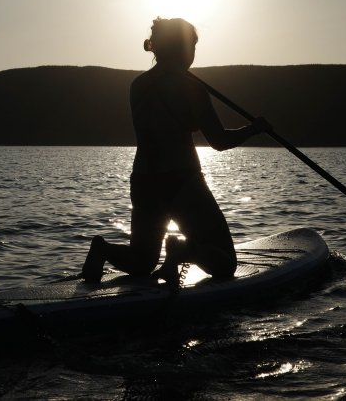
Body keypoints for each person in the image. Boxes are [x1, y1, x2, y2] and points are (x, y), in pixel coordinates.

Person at [81, 17, 271, 284]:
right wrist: (254, 129)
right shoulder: (192, 88)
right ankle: (182, 249)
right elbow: (219, 141)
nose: (193, 54)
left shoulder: (138, 86)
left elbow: (159, 124)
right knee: (225, 264)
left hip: (144, 181)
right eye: (192, 46)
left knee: (142, 261)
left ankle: (102, 249)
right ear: (183, 49)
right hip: (181, 181)